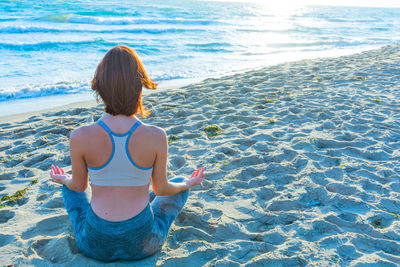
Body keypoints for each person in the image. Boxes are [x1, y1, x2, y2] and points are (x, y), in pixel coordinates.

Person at [49, 45, 205, 262]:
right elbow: (162, 188)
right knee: (178, 183)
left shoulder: (80, 136)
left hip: (95, 246)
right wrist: (188, 183)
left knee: (69, 188)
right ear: (138, 85)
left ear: (100, 86)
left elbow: (79, 186)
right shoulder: (156, 135)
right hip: (143, 244)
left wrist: (63, 178)